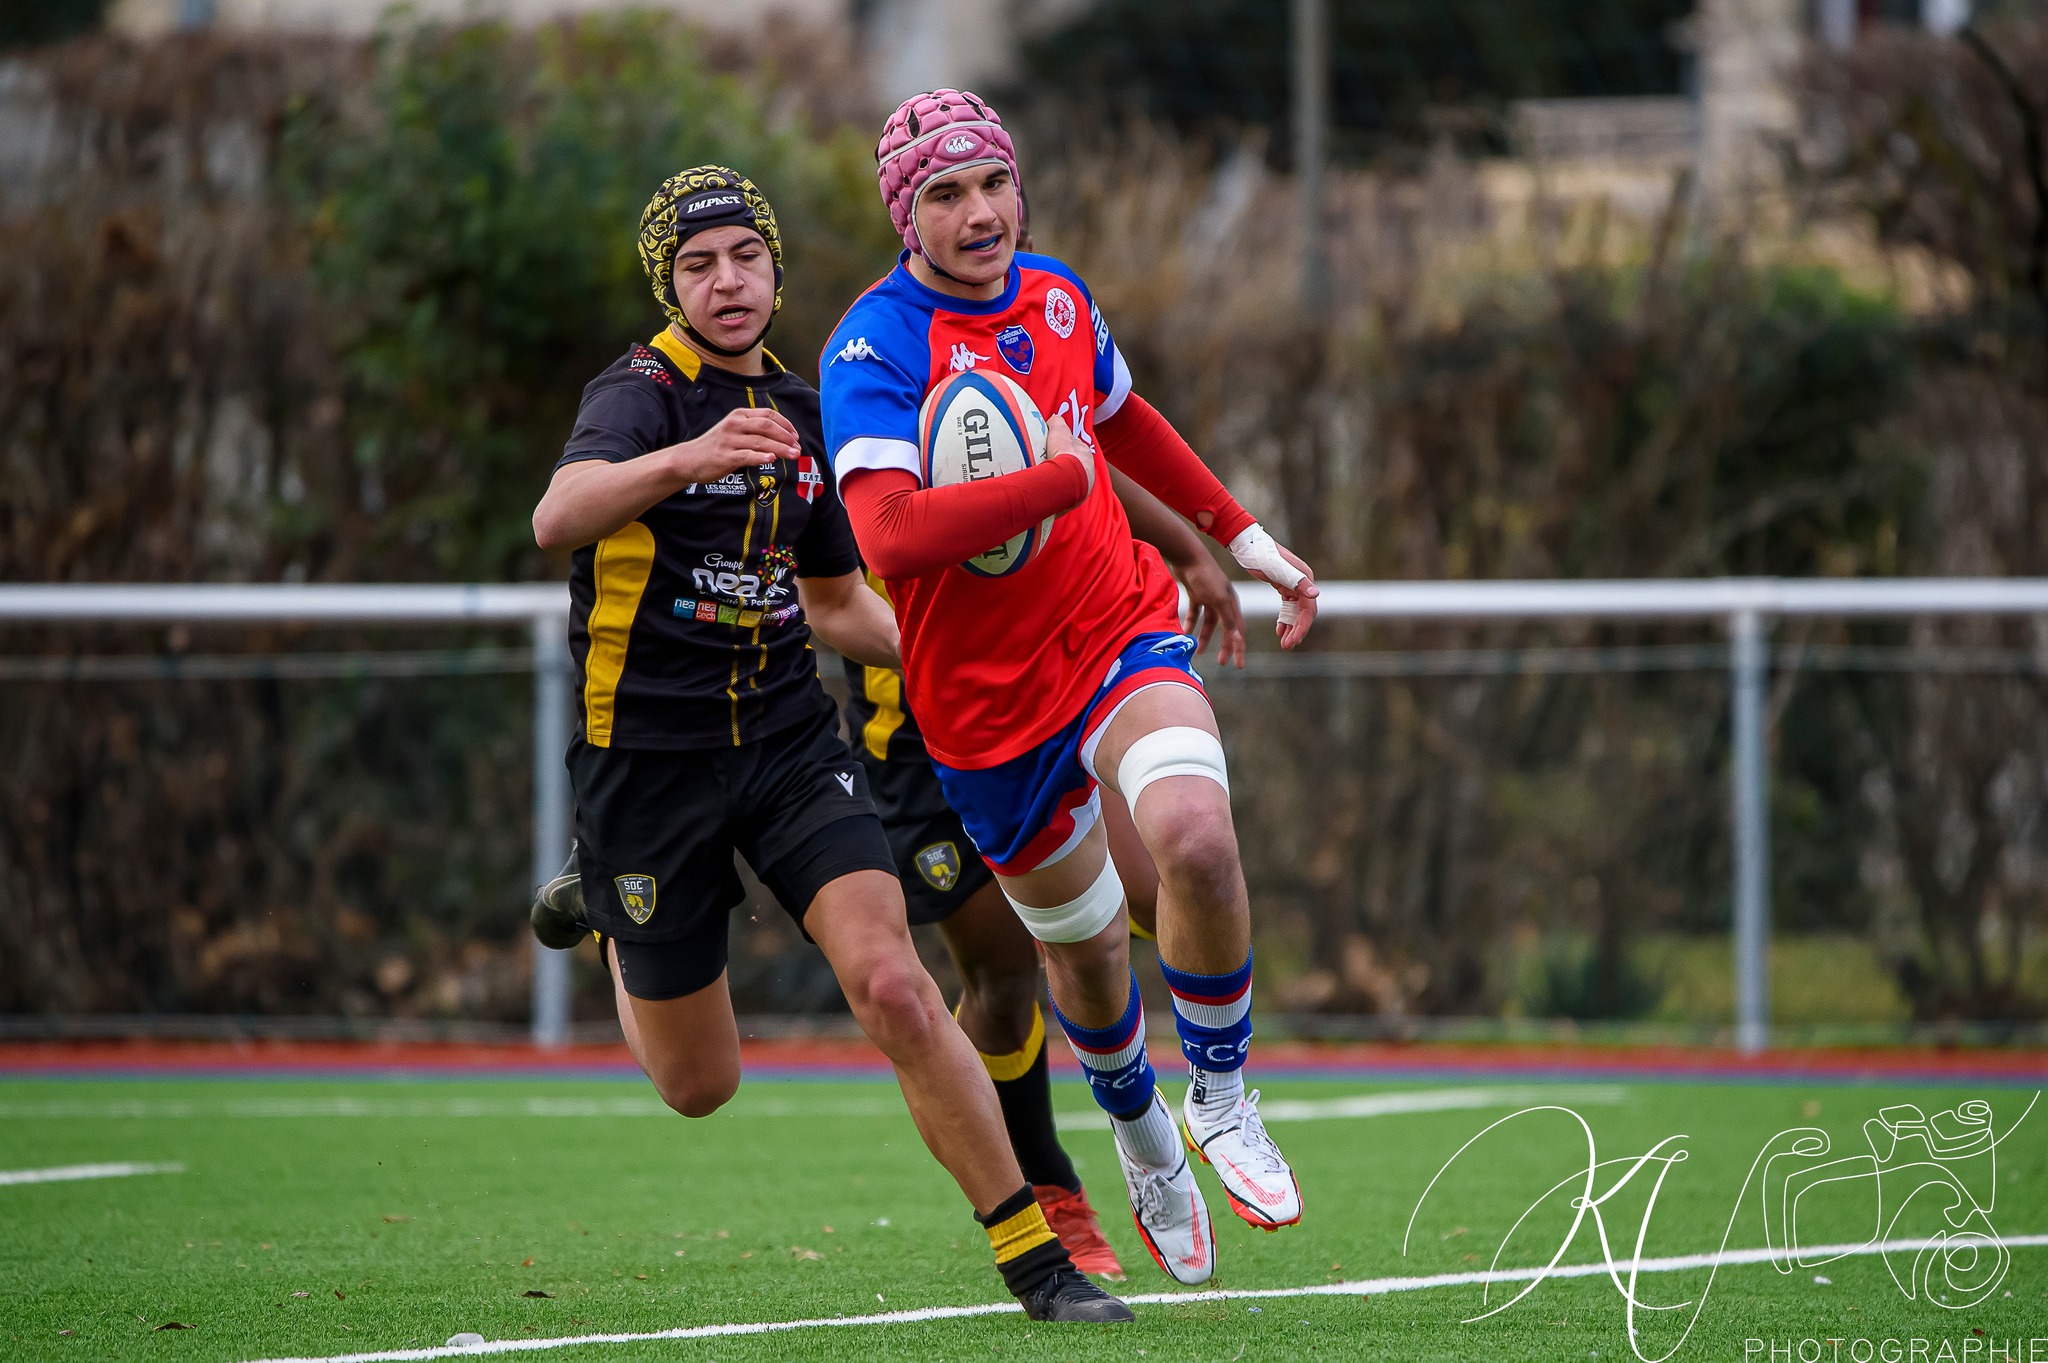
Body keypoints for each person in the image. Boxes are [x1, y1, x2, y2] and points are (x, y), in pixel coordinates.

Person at [527, 164, 1129, 1324]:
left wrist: (976, 661)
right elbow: (558, 516)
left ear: (775, 268)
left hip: (790, 745)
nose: (727, 282)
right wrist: (685, 459)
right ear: (668, 286)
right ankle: (608, 904)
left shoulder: (806, 413)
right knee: (698, 1085)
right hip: (645, 757)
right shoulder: (639, 393)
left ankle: (1036, 1262)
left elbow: (837, 602)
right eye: (698, 266)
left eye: (745, 257)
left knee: (893, 981)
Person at [818, 92, 1321, 1286]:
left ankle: (1220, 1094)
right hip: (984, 705)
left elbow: (1122, 421)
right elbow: (888, 535)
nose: (978, 212)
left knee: (1194, 835)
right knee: (1086, 957)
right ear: (905, 218)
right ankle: (1138, 1127)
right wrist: (1050, 482)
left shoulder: (1055, 295)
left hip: (1112, 625)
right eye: (945, 194)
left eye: (992, 182)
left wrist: (1243, 537)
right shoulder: (869, 350)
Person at [842, 469, 1247, 1280]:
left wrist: (1189, 547)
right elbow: (828, 587)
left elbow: (1085, 452)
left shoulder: (1001, 394)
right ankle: (1052, 1186)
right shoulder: (848, 420)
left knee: (1156, 883)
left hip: (1046, 689)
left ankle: (1201, 1101)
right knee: (1001, 977)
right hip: (917, 738)